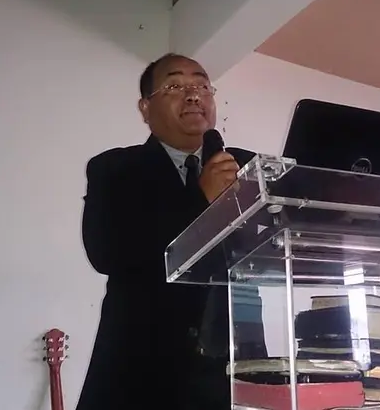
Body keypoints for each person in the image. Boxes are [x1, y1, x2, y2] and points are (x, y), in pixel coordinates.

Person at [77, 53, 266, 410]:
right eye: (175, 85)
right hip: (140, 369)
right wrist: (200, 199)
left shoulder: (246, 168)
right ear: (145, 108)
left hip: (232, 365)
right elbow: (106, 253)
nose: (193, 94)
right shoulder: (115, 168)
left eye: (202, 85)